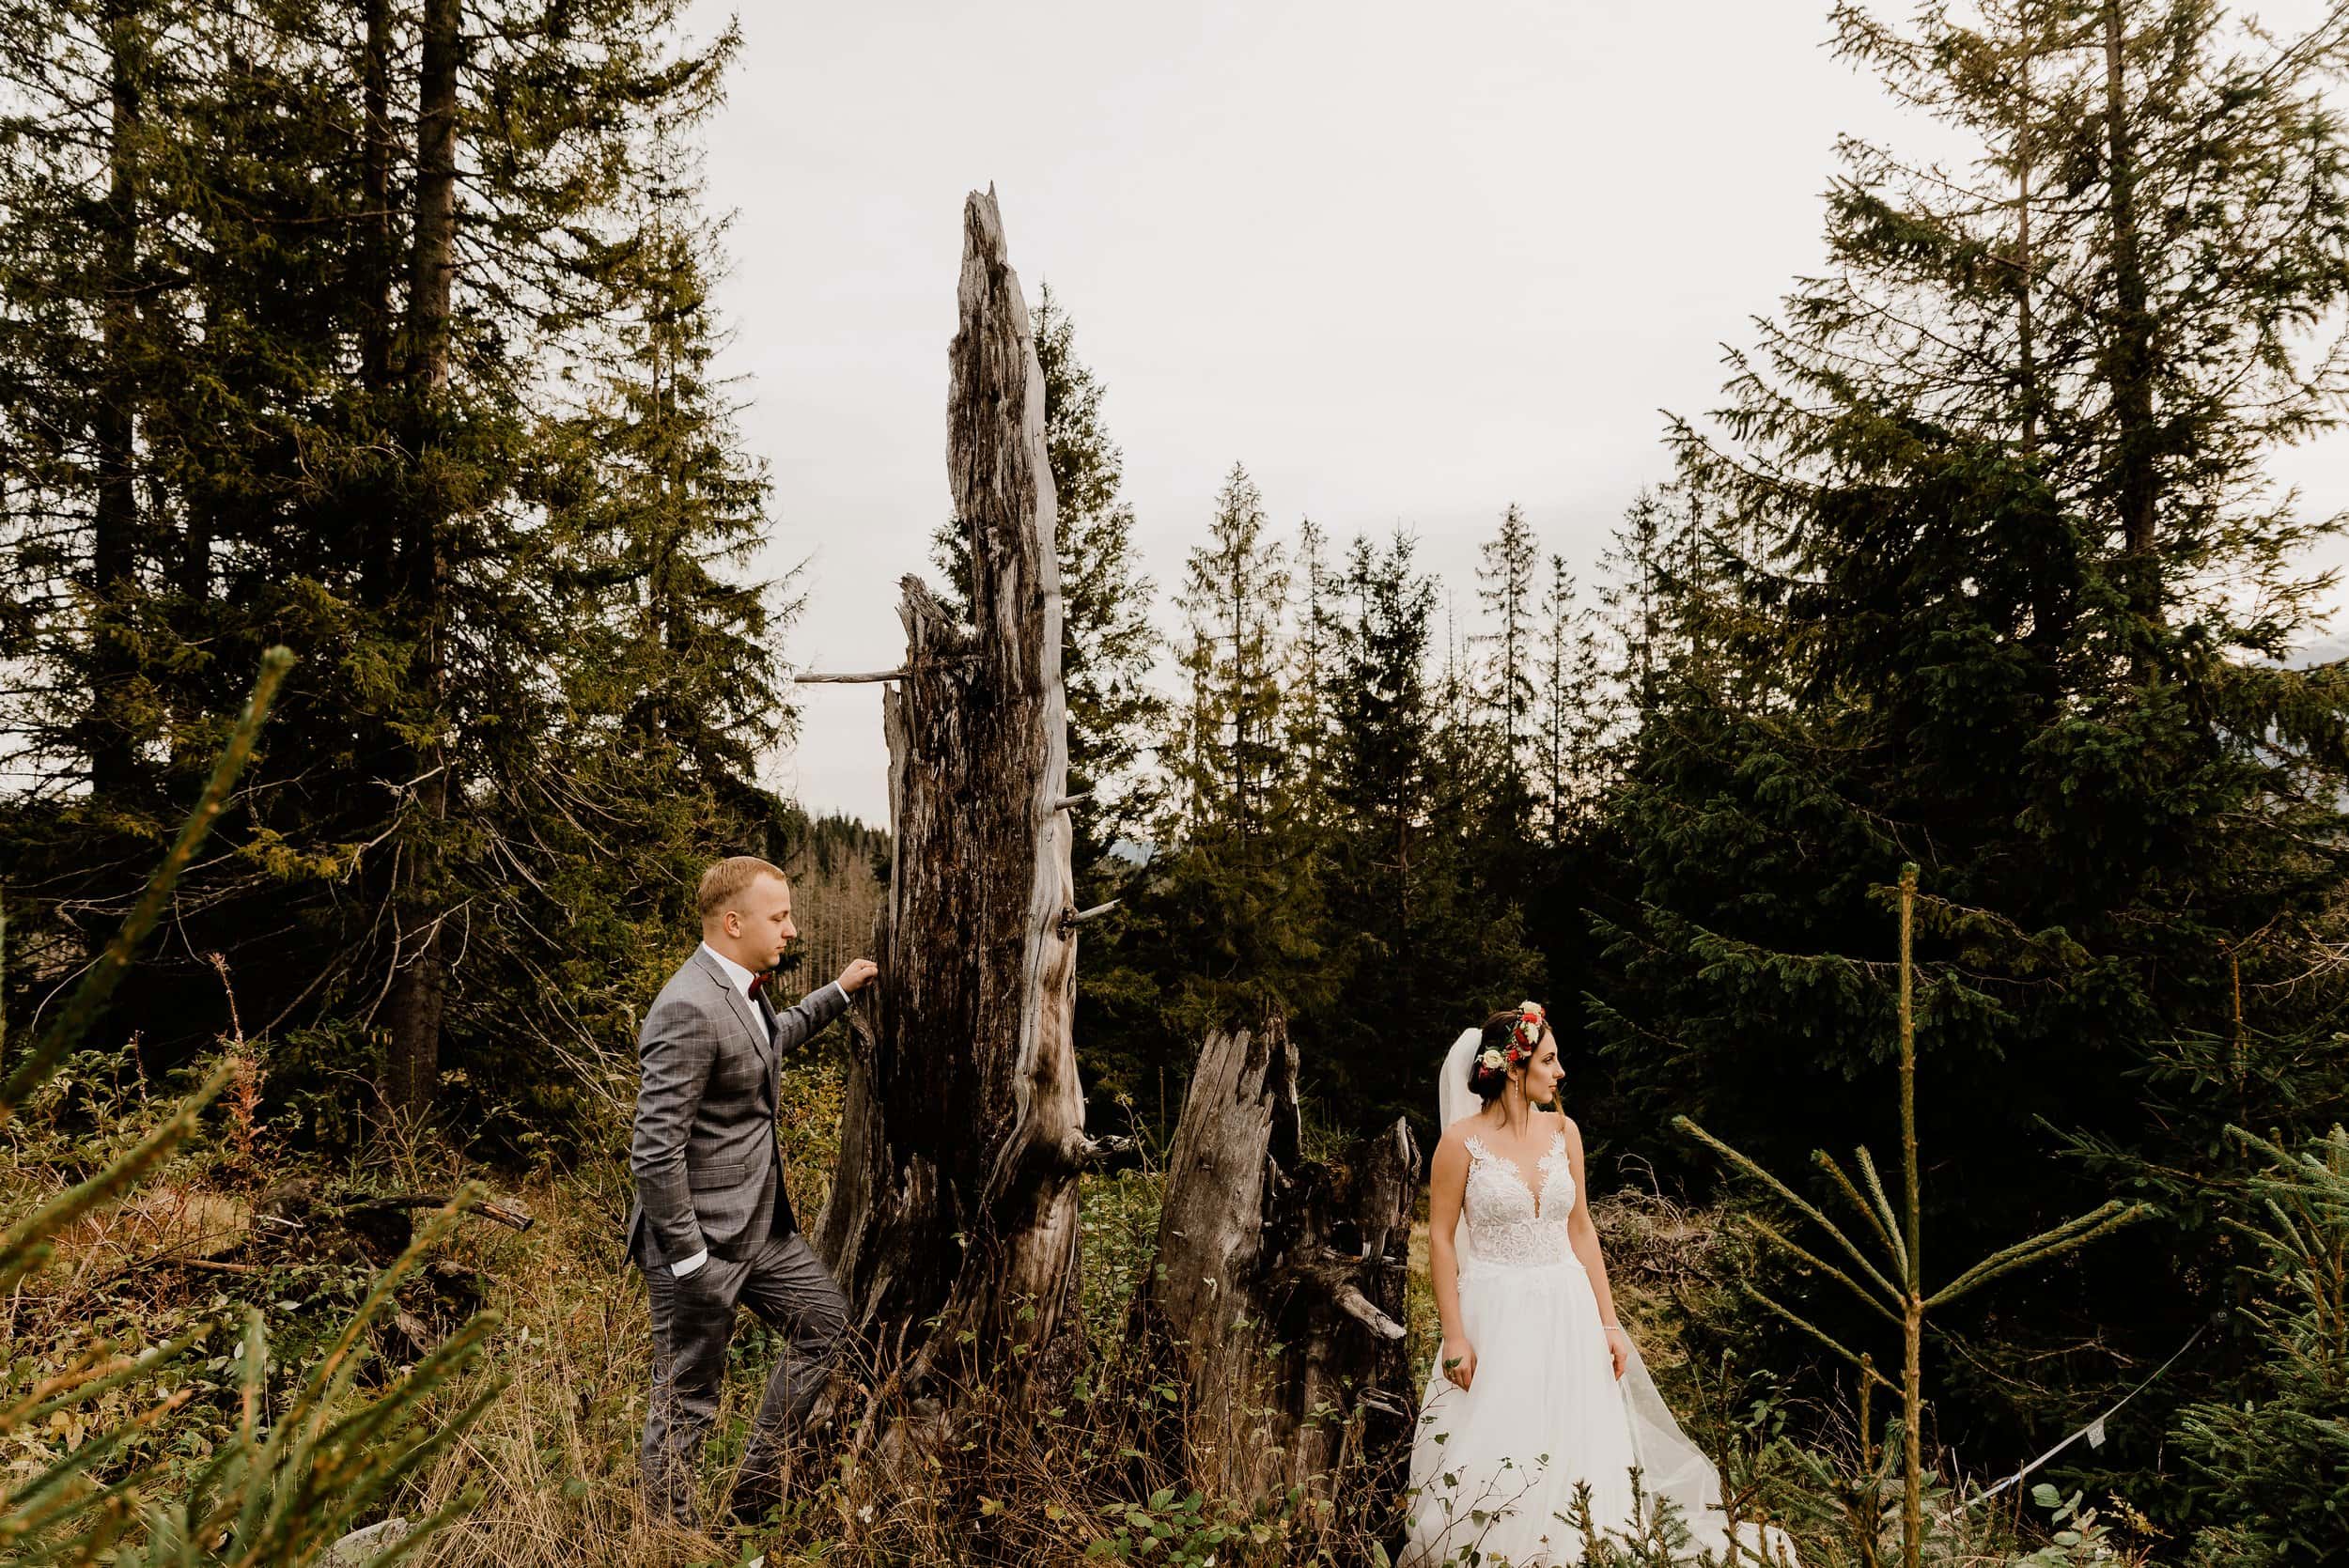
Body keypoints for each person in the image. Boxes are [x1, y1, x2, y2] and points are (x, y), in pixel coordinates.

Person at [1401, 1002, 1793, 1565]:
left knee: (1577, 1443)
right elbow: (1440, 1239)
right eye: (1549, 1059)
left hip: (1569, 1311)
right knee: (1504, 1441)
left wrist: (1610, 1325)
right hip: (1495, 1314)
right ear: (1513, 1068)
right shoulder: (1461, 1143)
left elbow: (1581, 1228)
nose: (1560, 1072)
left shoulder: (1565, 1133)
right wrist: (1455, 1335)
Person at [628, 854, 879, 1528]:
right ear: (734, 922)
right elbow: (654, 1150)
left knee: (826, 1326)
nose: (791, 929)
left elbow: (769, 1037)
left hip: (760, 1230)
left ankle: (752, 1497)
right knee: (686, 1400)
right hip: (697, 1244)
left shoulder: (742, 988)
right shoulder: (686, 1004)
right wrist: (689, 1259)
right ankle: (671, 1541)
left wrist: (839, 991)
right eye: (780, 916)